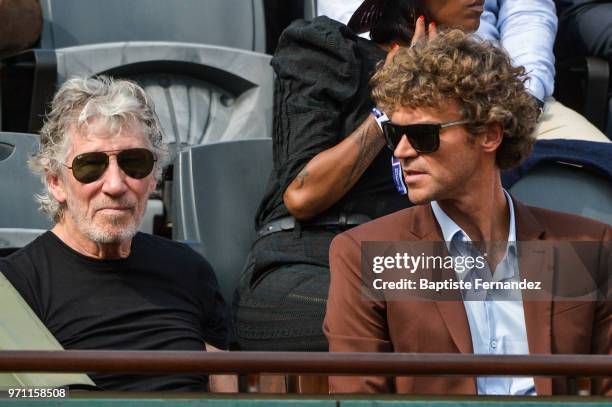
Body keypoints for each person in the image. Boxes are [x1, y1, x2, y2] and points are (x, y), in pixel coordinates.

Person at [324, 29, 611, 395]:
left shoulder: (590, 245)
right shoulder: (363, 253)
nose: (401, 153)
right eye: (396, 136)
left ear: (490, 134)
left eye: (423, 135)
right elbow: (357, 399)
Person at [233, 0, 484, 351]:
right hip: (309, 260)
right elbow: (302, 196)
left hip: (409, 266)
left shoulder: (468, 81)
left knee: (561, 285)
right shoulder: (331, 50)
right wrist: (388, 107)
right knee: (424, 315)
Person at [0, 76, 229, 392]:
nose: (115, 185)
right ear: (55, 182)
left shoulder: (189, 269)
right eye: (90, 166)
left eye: (134, 163)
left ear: (152, 178)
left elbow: (225, 392)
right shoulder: (14, 287)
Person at [318, 0, 610, 142]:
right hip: (401, 81)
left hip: (505, 85)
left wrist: (524, 99)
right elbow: (362, 27)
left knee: (590, 167)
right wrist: (413, 70)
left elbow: (528, 15)